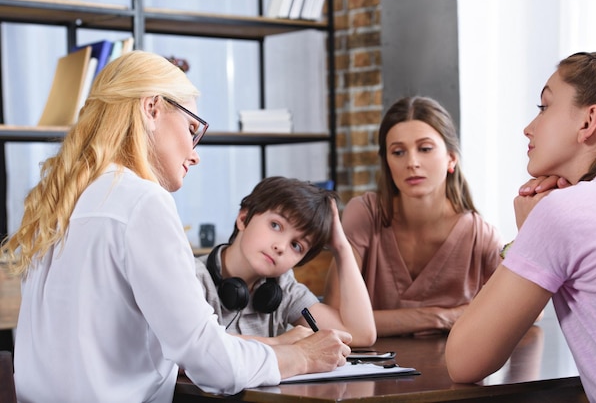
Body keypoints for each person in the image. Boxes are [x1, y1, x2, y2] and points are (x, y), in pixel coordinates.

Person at [2, 50, 352, 403]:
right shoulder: (142, 201)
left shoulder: (62, 202)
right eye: (191, 129)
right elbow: (211, 362)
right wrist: (301, 356)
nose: (196, 153)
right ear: (152, 108)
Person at [445, 51, 596, 403]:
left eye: (544, 108)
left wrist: (527, 237)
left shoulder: (564, 213)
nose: (528, 127)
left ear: (589, 121)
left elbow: (464, 361)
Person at [324, 96, 503, 337]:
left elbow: (530, 311)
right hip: (372, 370)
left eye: (425, 149)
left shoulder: (480, 236)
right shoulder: (365, 214)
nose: (412, 163)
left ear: (451, 157)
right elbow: (333, 319)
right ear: (387, 162)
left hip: (454, 370)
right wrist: (441, 317)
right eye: (398, 152)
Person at [194, 176, 376, 347]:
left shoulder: (282, 287)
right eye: (276, 225)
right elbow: (191, 347)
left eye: (296, 245)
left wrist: (341, 248)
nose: (281, 247)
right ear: (243, 219)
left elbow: (360, 334)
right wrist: (278, 344)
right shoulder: (192, 276)